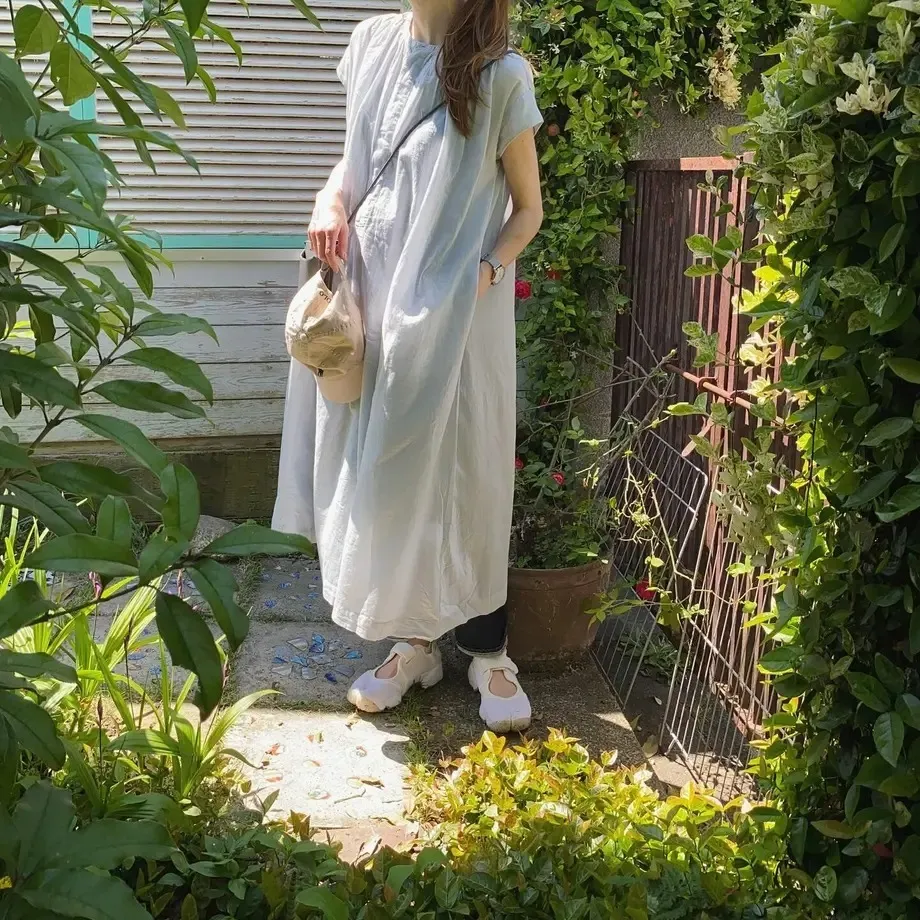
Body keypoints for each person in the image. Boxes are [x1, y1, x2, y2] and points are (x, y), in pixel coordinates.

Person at [272, 0, 544, 732]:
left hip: (458, 318)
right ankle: (415, 646)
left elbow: (528, 209)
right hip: (369, 307)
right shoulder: (372, 44)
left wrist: (482, 276)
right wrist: (330, 198)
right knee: (388, 473)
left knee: (466, 473)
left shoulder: (502, 76)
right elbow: (358, 158)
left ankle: (488, 652)